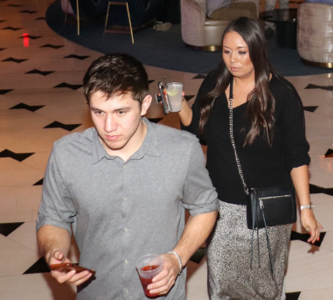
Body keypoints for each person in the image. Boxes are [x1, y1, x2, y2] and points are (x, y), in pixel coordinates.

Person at [36, 53, 218, 300]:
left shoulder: (182, 149)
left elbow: (205, 207)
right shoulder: (66, 154)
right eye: (98, 112)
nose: (108, 126)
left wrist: (178, 258)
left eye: (120, 112)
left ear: (144, 105)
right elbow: (54, 218)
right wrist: (54, 253)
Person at [179, 18, 322, 300]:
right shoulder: (215, 82)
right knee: (222, 286)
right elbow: (198, 131)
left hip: (267, 210)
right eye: (227, 51)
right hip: (220, 208)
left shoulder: (281, 95)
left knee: (265, 288)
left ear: (258, 51)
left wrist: (305, 207)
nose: (233, 60)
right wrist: (180, 105)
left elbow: (296, 156)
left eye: (242, 52)